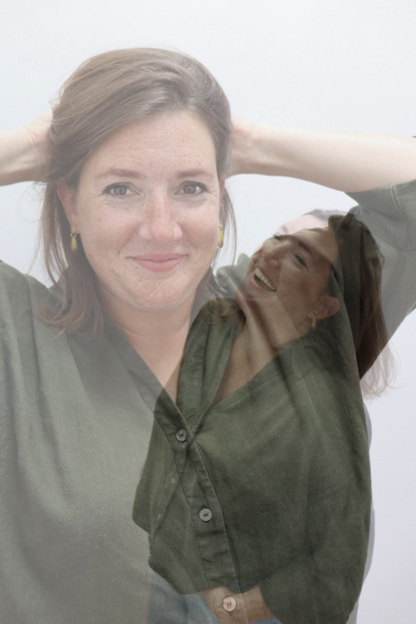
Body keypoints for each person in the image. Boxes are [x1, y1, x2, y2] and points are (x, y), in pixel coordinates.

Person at [1, 47, 416, 624]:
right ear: (71, 204)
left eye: (190, 187)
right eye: (121, 189)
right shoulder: (15, 336)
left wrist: (248, 143)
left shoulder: (295, 305)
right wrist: (34, 145)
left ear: (221, 198)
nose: (161, 228)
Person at [133, 213, 387, 624]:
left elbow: (338, 569)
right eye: (276, 239)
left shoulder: (324, 409)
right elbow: (169, 432)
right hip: (165, 579)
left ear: (324, 306)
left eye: (299, 259)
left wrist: (237, 607)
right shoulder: (213, 326)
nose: (270, 254)